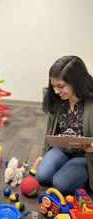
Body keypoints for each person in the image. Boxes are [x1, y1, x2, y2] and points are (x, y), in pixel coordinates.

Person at [33, 56, 93, 195]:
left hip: (85, 156)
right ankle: (68, 169)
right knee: (41, 176)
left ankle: (81, 174)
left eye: (61, 86)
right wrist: (43, 154)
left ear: (76, 82)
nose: (56, 91)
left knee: (61, 184)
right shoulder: (58, 100)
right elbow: (49, 130)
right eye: (53, 86)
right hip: (61, 149)